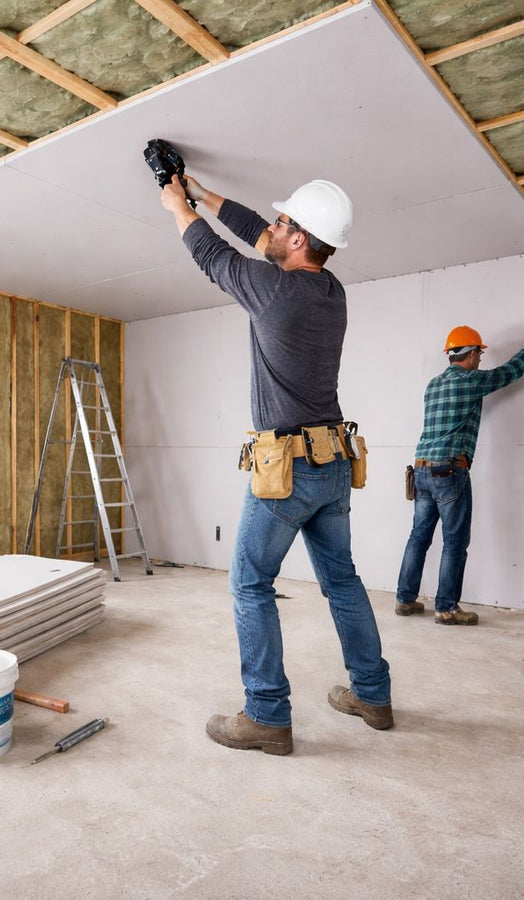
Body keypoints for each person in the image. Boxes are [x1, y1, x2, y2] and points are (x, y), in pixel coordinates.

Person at [159, 173, 391, 755]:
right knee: (342, 581)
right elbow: (258, 234)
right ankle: (374, 695)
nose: (274, 228)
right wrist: (200, 193)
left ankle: (266, 715)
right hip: (333, 461)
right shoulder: (330, 289)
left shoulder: (272, 290)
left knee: (249, 583)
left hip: (288, 470)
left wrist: (174, 206)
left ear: (298, 239)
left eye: (284, 224)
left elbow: (210, 252)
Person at [395, 328, 524, 625]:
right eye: (479, 352)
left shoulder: (433, 384)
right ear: (470, 353)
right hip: (449, 472)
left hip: (422, 471)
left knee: (419, 537)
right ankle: (446, 608)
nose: (481, 357)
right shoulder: (470, 381)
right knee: (454, 542)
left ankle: (405, 599)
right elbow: (509, 372)